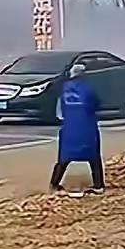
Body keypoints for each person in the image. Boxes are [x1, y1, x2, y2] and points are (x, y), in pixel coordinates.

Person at [50, 63, 104, 194]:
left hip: (69, 127)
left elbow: (59, 110)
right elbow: (96, 103)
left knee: (64, 158)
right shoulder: (88, 89)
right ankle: (98, 185)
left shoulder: (64, 89)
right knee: (93, 156)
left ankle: (54, 184)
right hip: (87, 127)